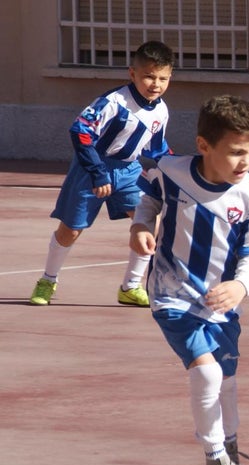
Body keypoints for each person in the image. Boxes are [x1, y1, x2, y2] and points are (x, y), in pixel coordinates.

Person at [130, 95, 249, 465]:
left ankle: (229, 447)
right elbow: (150, 200)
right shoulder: (171, 170)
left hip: (221, 304)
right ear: (205, 145)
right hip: (171, 295)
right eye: (235, 152)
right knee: (207, 374)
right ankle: (216, 460)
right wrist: (141, 225)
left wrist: (240, 287)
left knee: (227, 380)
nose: (245, 161)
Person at [29, 41, 174, 307]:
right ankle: (47, 280)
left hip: (129, 170)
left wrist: (177, 171)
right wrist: (98, 173)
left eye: (163, 78)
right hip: (92, 167)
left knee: (149, 223)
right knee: (71, 229)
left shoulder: (161, 111)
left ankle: (130, 287)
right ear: (132, 74)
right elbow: (80, 132)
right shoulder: (114, 102)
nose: (155, 84)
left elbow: (157, 149)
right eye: (149, 76)